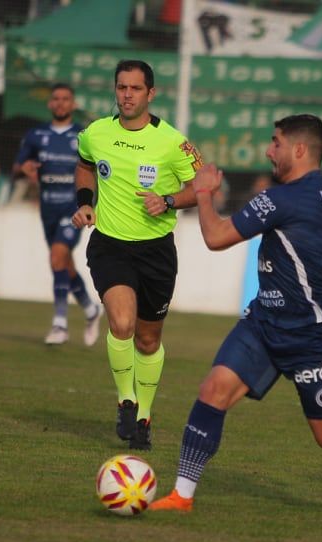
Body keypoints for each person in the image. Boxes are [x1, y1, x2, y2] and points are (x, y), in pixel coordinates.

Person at [149, 114, 322, 521]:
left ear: (298, 150)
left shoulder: (281, 199)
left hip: (313, 338)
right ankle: (182, 494)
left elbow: (216, 238)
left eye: (275, 142)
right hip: (265, 322)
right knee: (214, 390)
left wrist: (205, 193)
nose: (268, 150)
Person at [71, 60, 203, 450]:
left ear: (151, 93)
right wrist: (85, 201)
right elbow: (84, 165)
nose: (127, 95)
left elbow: (202, 187)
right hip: (110, 244)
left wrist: (168, 200)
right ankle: (125, 400)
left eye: (135, 89)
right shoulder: (96, 132)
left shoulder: (172, 143)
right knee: (123, 322)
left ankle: (144, 415)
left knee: (147, 340)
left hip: (157, 252)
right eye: (121, 87)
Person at [14, 83, 102, 346]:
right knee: (61, 262)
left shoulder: (84, 135)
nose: (61, 103)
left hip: (73, 208)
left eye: (66, 99)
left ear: (73, 104)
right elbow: (18, 167)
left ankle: (60, 324)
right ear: (50, 104)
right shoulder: (35, 135)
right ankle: (90, 309)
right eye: (56, 99)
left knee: (57, 256)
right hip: (48, 209)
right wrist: (25, 169)